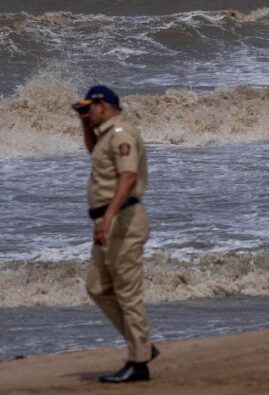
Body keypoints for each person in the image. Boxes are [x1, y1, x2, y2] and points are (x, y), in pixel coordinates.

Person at [73, 85, 158, 383]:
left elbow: (128, 176)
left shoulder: (122, 132)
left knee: (127, 294)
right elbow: (95, 153)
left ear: (103, 105)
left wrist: (108, 219)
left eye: (88, 109)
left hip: (122, 220)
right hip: (110, 220)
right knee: (97, 287)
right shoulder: (107, 134)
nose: (86, 113)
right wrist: (84, 123)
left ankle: (139, 363)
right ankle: (143, 345)